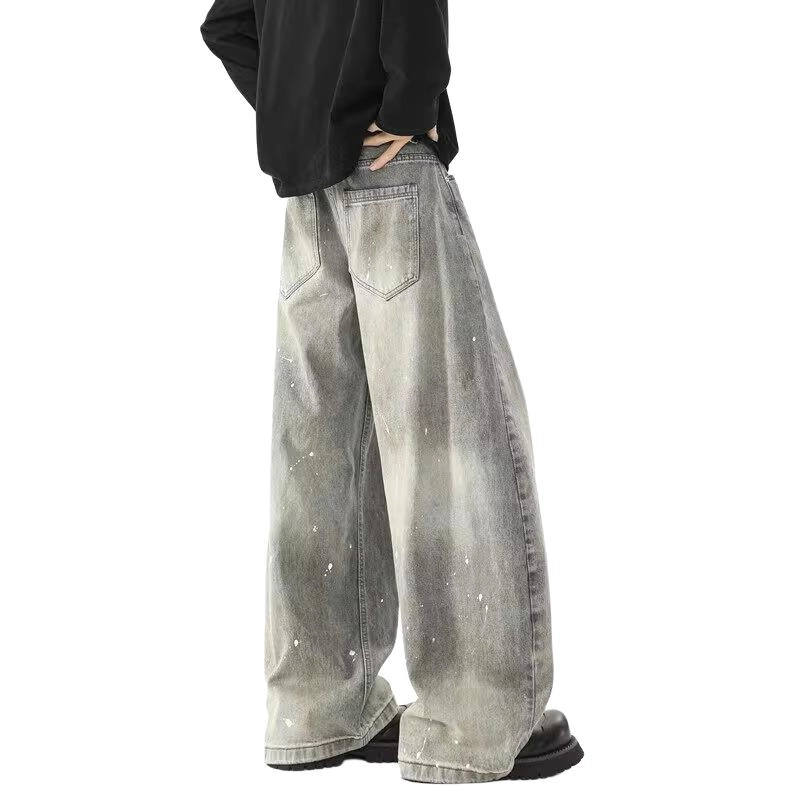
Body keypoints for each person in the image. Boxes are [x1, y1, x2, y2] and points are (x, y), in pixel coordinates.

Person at [200, 1, 582, 781]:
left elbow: (229, 22)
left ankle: (314, 707)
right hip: (390, 172)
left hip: (309, 195)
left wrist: (303, 113)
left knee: (319, 453)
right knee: (446, 437)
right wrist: (410, 104)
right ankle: (471, 721)